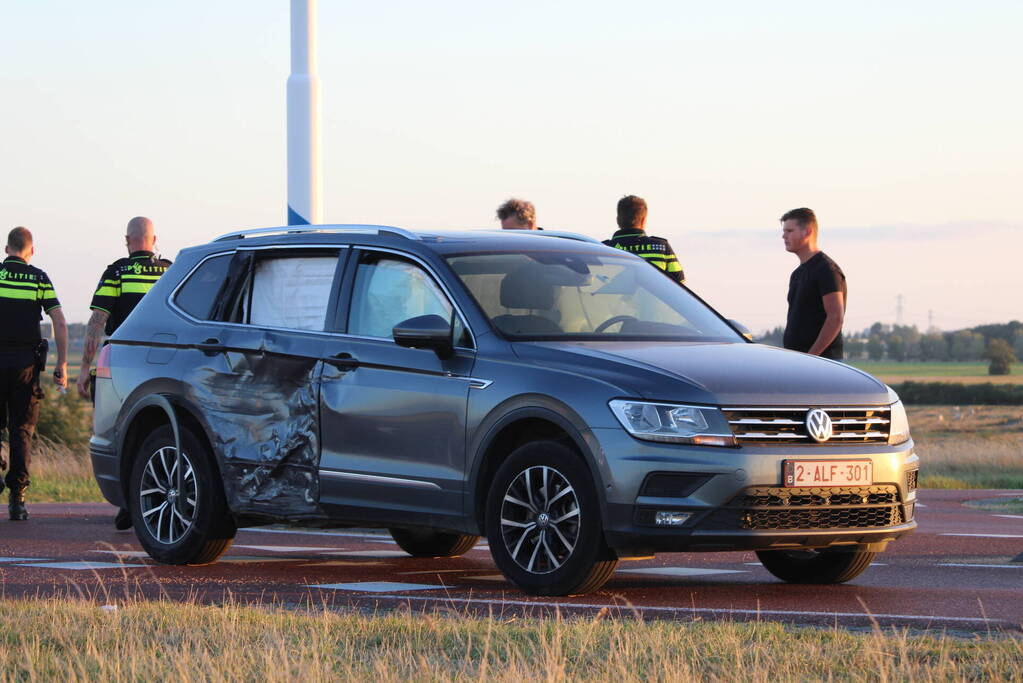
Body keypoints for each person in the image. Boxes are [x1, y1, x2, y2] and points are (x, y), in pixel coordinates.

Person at [76, 216, 171, 530]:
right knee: (162, 431)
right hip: (166, 361)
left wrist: (83, 370)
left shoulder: (116, 271)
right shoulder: (170, 270)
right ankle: (153, 499)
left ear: (126, 240)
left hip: (123, 364)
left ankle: (130, 502)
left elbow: (97, 321)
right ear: (154, 238)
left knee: (120, 432)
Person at [0, 227, 68, 520]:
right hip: (25, 366)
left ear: (6, 249)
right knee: (22, 431)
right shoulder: (39, 278)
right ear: (31, 250)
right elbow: (60, 322)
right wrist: (62, 365)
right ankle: (18, 499)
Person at [780, 207, 846, 359]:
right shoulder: (797, 274)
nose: (783, 236)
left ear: (808, 232)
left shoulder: (827, 270)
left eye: (789, 231)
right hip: (800, 361)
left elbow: (835, 317)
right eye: (784, 231)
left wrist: (812, 358)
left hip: (823, 364)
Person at [603, 195, 684, 283]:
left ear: (617, 220)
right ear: (643, 220)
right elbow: (680, 284)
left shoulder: (602, 249)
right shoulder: (661, 248)